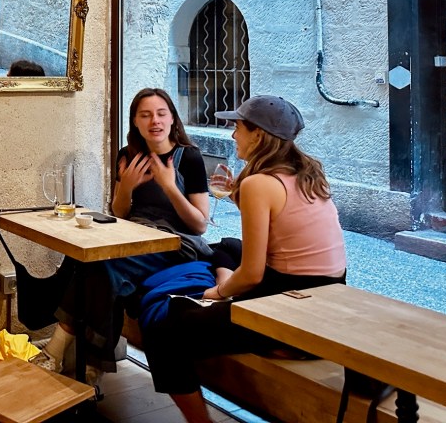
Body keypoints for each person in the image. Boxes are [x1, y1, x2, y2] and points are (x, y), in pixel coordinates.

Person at [140, 95, 347, 423]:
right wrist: (238, 193)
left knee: (163, 330)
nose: (233, 134)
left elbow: (252, 274)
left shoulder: (259, 184)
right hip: (329, 298)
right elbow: (283, 222)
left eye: (238, 127)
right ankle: (227, 282)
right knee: (228, 245)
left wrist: (216, 293)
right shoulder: (307, 173)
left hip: (291, 308)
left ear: (258, 135)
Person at [32, 88, 211, 377]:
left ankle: (59, 354)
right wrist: (126, 188)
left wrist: (169, 187)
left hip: (174, 245)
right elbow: (120, 213)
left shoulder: (189, 157)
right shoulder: (128, 155)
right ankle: (88, 365)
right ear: (135, 122)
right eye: (146, 115)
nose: (155, 121)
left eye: (161, 114)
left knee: (101, 266)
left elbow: (200, 224)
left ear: (173, 119)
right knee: (88, 263)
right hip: (132, 238)